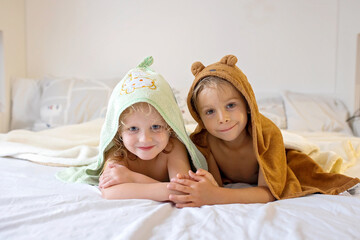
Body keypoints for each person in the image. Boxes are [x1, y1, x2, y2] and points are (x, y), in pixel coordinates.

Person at [167, 54, 360, 207]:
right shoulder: (203, 141)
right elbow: (213, 184)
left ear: (247, 104)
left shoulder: (266, 134)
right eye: (210, 111)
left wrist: (216, 196)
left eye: (231, 105)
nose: (222, 118)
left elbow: (268, 192)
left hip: (286, 158)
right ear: (199, 117)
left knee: (311, 165)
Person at [56, 56, 207, 202]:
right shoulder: (118, 152)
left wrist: (132, 178)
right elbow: (109, 192)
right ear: (119, 132)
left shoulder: (173, 148)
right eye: (133, 128)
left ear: (170, 127)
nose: (145, 139)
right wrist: (168, 190)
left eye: (156, 127)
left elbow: (183, 189)